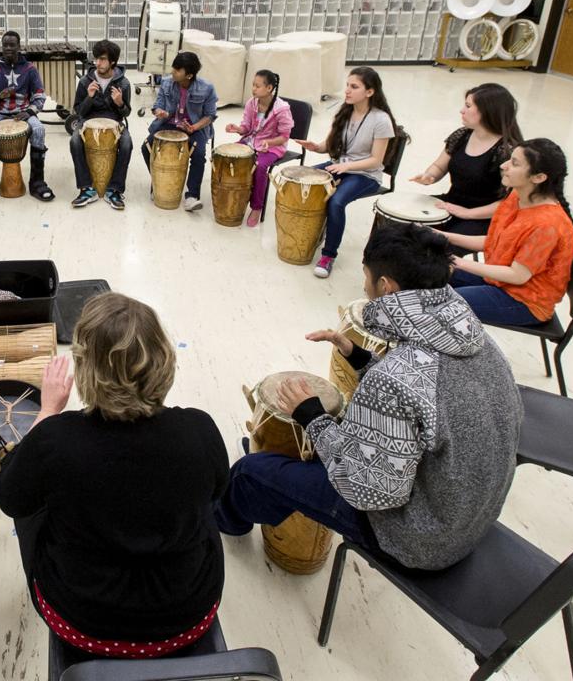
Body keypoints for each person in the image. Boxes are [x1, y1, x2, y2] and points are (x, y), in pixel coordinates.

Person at [215, 223, 522, 571]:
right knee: (324, 437)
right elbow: (423, 403)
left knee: (250, 473)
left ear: (386, 285)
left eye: (366, 276)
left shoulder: (393, 380)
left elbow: (367, 490)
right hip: (468, 515)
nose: (364, 285)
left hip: (420, 538)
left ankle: (224, 523)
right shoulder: (477, 340)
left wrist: (312, 417)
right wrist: (359, 357)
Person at [0, 293, 229, 657]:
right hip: (187, 619)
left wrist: (47, 412)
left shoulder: (56, 440)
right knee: (200, 506)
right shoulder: (199, 430)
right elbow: (218, 489)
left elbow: (8, 497)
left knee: (28, 496)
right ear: (163, 358)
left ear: (86, 369)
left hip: (82, 623)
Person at [441, 139, 573, 327]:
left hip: (523, 300)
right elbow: (494, 241)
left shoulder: (547, 224)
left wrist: (458, 261)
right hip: (499, 280)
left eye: (514, 163)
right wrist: (442, 235)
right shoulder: (517, 196)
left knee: (442, 303)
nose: (504, 166)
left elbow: (517, 275)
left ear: (538, 177)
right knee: (427, 270)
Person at [295, 66, 397, 278]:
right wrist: (316, 146)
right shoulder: (344, 112)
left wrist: (347, 167)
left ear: (370, 92)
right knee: (301, 181)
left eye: (354, 87)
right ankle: (308, 236)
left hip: (366, 174)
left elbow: (376, 160)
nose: (347, 91)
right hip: (340, 166)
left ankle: (328, 255)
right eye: (347, 86)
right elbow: (329, 146)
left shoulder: (381, 120)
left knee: (336, 201)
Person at [410, 83, 522, 236]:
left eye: (468, 106)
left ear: (488, 111)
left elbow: (510, 202)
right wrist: (430, 176)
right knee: (400, 225)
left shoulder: (506, 151)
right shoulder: (462, 135)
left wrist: (468, 213)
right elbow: (439, 166)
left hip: (482, 217)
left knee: (433, 244)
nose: (462, 111)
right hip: (452, 202)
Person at [0, 31, 53, 203]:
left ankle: (37, 181)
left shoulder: (30, 69)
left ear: (19, 46)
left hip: (23, 111)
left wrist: (31, 111)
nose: (8, 48)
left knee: (39, 129)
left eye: (12, 45)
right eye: (5, 45)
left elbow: (39, 95)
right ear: (2, 47)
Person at [141, 52, 218, 212]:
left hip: (194, 128)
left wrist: (194, 127)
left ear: (189, 75)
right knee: (146, 147)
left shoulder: (207, 88)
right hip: (169, 124)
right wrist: (159, 112)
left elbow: (210, 115)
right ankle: (159, 182)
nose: (172, 72)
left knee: (198, 155)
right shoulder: (167, 83)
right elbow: (158, 104)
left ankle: (192, 195)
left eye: (177, 70)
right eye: (173, 68)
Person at [223, 70, 294, 227]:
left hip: (273, 147)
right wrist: (237, 129)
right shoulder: (251, 103)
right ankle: (235, 196)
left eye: (257, 85)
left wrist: (270, 143)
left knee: (260, 166)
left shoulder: (282, 109)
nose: (253, 89)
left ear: (269, 88)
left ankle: (256, 207)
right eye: (253, 85)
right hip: (252, 141)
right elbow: (246, 127)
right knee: (229, 156)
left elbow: (284, 136)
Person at [69, 39, 132, 210]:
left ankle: (115, 189)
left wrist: (119, 103)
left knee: (127, 143)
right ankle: (86, 188)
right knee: (74, 141)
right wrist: (89, 97)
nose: (98, 62)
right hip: (87, 120)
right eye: (97, 58)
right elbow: (79, 112)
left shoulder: (123, 83)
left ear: (112, 61)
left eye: (103, 59)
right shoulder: (84, 81)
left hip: (114, 121)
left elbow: (126, 113)